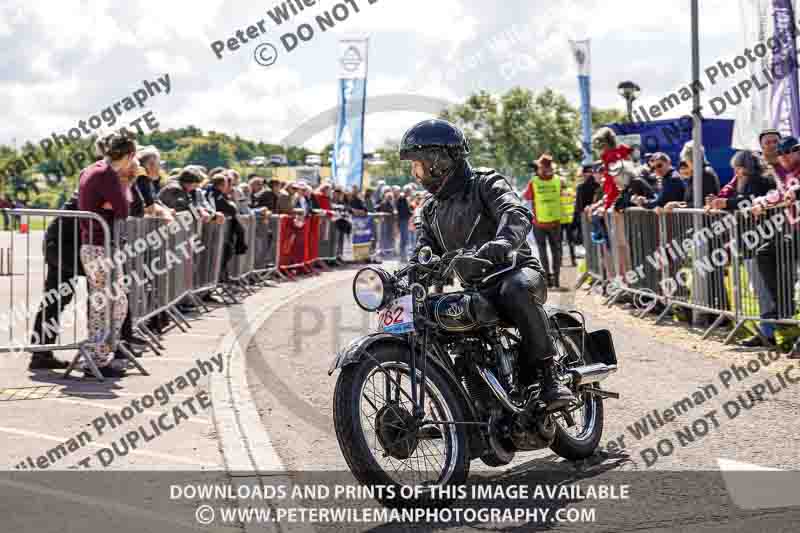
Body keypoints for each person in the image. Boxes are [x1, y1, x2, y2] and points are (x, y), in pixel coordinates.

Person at [400, 118, 574, 411]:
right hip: (477, 288)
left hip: (516, 271)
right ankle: (451, 400)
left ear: (439, 162)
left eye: (418, 164)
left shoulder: (485, 183)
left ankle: (549, 379)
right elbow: (424, 249)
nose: (416, 174)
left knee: (514, 290)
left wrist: (504, 242)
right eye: (413, 166)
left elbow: (515, 211)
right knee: (427, 313)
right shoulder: (430, 210)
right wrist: (412, 272)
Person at [77, 131, 135, 378]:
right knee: (110, 303)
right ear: (131, 155)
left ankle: (98, 355)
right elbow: (124, 208)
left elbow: (117, 206)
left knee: (109, 302)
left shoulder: (94, 169)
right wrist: (121, 190)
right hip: (101, 246)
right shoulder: (107, 174)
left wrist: (111, 203)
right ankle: (97, 358)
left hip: (95, 244)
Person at [28, 191, 84, 370]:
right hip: (61, 247)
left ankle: (41, 352)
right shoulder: (100, 182)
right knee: (55, 301)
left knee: (55, 301)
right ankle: (41, 352)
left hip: (64, 246)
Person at [524, 154, 563, 288]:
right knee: (556, 251)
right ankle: (556, 279)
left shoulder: (534, 182)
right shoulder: (558, 180)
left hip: (539, 223)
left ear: (541, 168)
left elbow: (526, 196)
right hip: (555, 221)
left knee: (543, 251)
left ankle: (547, 279)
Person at [559, 177, 577, 267]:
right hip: (566, 220)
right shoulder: (570, 190)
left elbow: (574, 201)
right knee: (568, 242)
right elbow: (575, 201)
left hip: (563, 220)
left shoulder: (557, 192)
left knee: (562, 242)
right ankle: (571, 261)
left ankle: (565, 261)